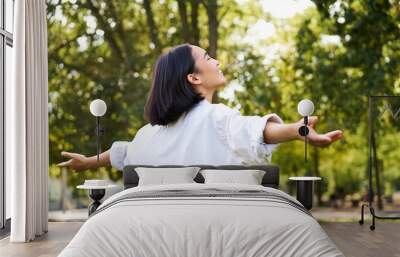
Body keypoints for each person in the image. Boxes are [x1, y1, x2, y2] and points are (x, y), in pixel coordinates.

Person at [57, 44, 343, 172]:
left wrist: (88, 162)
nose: (216, 61)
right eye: (208, 57)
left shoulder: (149, 133)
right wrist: (298, 129)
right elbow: (251, 130)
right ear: (193, 78)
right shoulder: (216, 117)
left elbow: (122, 152)